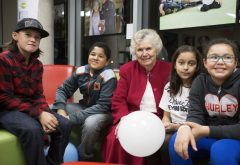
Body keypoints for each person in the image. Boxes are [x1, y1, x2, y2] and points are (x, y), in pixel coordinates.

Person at [0, 18, 72, 165]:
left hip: (28, 109)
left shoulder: (37, 65)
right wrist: (39, 114)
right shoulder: (3, 60)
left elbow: (38, 95)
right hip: (6, 110)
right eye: (28, 34)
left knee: (64, 125)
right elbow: (5, 98)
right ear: (15, 36)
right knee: (32, 129)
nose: (33, 39)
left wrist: (46, 113)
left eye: (37, 37)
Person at [102, 29, 172, 165]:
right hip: (132, 117)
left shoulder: (169, 69)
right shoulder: (127, 69)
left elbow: (174, 97)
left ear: (156, 50)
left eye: (148, 49)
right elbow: (118, 99)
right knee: (114, 138)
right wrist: (123, 119)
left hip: (159, 119)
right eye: (140, 50)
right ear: (135, 52)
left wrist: (167, 118)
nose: (144, 54)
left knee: (145, 139)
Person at [169, 38, 240, 165]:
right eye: (214, 57)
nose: (220, 62)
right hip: (207, 137)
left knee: (221, 150)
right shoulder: (200, 82)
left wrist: (206, 130)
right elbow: (195, 114)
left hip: (234, 139)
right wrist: (186, 126)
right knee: (177, 140)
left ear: (235, 63)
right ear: (205, 63)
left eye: (227, 57)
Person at [51, 42, 117, 160]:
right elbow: (63, 89)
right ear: (88, 56)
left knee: (91, 123)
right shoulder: (81, 71)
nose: (95, 58)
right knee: (52, 108)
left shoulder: (109, 76)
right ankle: (56, 147)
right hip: (85, 107)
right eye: (93, 54)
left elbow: (103, 106)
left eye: (100, 56)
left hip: (104, 112)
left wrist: (72, 118)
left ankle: (84, 157)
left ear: (107, 61)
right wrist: (61, 109)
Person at [158, 45, 202, 165]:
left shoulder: (201, 87)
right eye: (181, 63)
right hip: (173, 128)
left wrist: (176, 127)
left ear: (197, 66)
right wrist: (165, 124)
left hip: (192, 130)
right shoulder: (169, 87)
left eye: (191, 63)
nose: (185, 67)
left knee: (169, 142)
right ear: (175, 65)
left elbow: (201, 122)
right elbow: (166, 115)